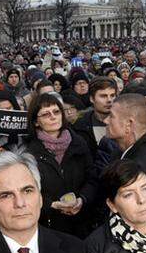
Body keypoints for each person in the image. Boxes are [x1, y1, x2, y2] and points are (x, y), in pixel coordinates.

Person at [23, 91, 97, 238]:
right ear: (36, 122)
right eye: (46, 114)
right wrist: (52, 205)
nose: (53, 117)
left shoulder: (79, 143)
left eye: (56, 112)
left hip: (81, 225)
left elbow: (92, 178)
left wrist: (82, 199)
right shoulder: (29, 152)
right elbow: (27, 192)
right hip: (49, 226)